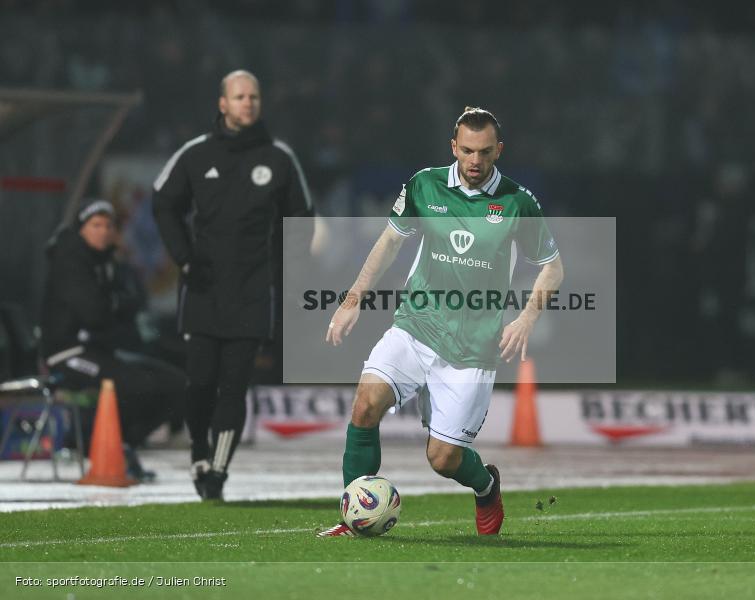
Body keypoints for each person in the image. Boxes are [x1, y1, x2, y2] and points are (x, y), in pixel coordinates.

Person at [317, 107, 564, 537]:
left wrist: (526, 317)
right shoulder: (424, 184)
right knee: (364, 405)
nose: (474, 161)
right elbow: (391, 241)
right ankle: (354, 517)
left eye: (485, 152)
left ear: (498, 151)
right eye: (467, 150)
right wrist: (352, 298)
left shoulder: (515, 201)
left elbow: (553, 268)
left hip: (472, 348)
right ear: (454, 146)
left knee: (443, 459)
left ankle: (486, 487)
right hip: (416, 326)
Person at [152, 70, 315, 500]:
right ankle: (199, 450)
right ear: (223, 104)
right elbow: (163, 201)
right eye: (240, 96)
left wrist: (284, 272)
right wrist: (184, 257)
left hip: (252, 292)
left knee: (233, 385)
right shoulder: (196, 154)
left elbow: (302, 218)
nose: (248, 103)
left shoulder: (278, 158)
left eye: (255, 96)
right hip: (203, 288)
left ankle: (217, 474)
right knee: (200, 382)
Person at [41, 199, 186, 482]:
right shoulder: (69, 260)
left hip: (101, 350)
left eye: (109, 225)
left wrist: (115, 305)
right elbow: (96, 312)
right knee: (130, 383)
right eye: (96, 225)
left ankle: (125, 442)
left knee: (175, 383)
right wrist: (118, 305)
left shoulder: (110, 263)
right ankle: (91, 440)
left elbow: (132, 305)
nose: (103, 231)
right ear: (82, 229)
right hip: (66, 353)